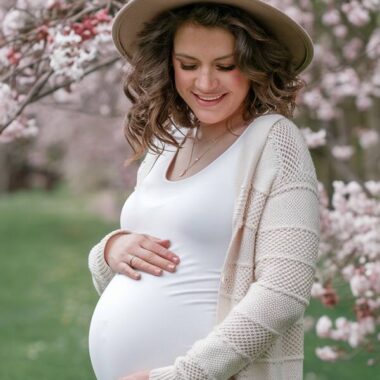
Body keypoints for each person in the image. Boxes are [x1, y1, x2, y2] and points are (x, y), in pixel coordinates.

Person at [88, 1, 320, 380]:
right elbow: (144, 264)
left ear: (255, 66)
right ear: (169, 64)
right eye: (189, 65)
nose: (206, 83)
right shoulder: (168, 143)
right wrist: (110, 250)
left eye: (225, 66)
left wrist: (184, 375)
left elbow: (284, 290)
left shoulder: (274, 140)